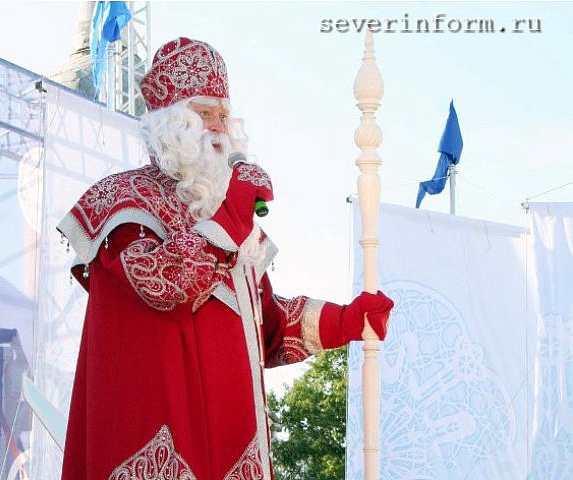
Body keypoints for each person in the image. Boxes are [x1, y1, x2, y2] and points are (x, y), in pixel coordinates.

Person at [58, 37, 394, 480]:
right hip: (160, 447)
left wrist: (346, 320)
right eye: (205, 113)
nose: (220, 128)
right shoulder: (125, 200)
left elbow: (268, 328)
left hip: (233, 444)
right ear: (170, 122)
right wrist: (231, 216)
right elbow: (164, 286)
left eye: (224, 114)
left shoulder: (230, 219)